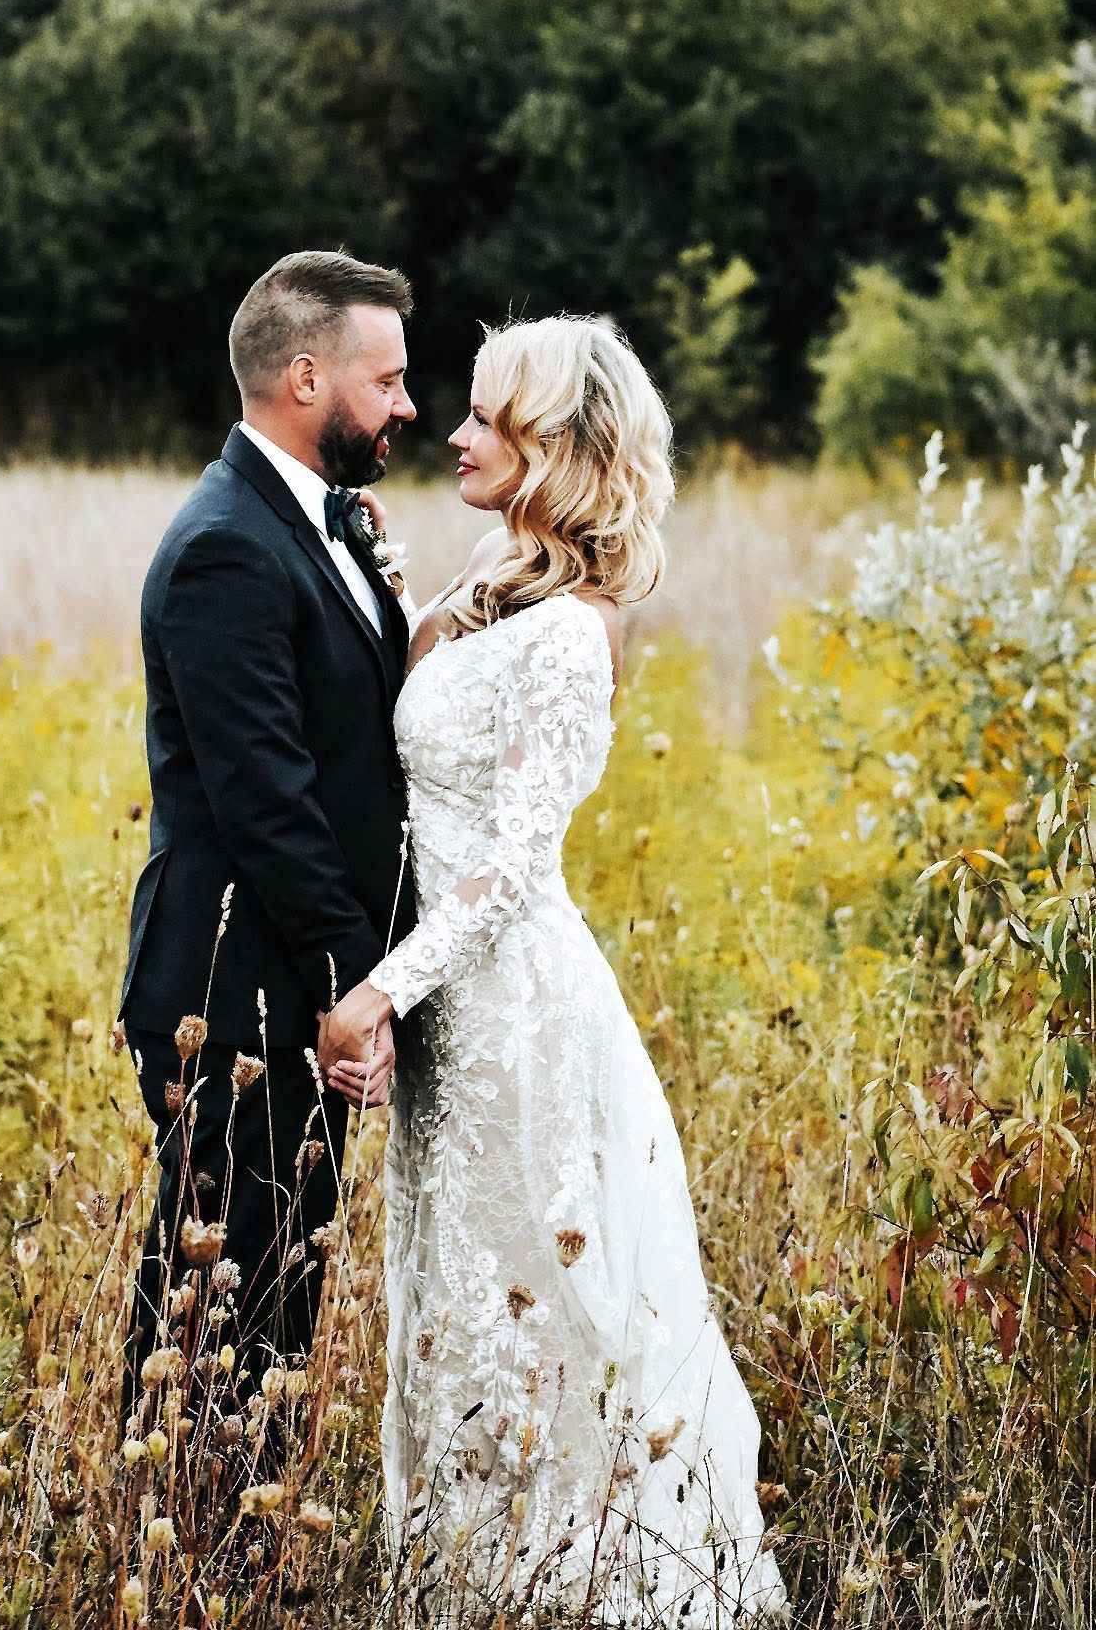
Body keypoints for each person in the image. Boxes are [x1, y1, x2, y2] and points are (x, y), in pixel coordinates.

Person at [319, 316, 791, 1626]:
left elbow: (512, 872)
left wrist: (375, 995)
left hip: (519, 1018)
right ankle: (460, 1588)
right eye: (461, 412)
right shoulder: (492, 586)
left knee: (547, 1321)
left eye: (486, 418)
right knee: (452, 1313)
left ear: (558, 448)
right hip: (453, 1022)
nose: (455, 434)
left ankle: (581, 1592)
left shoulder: (574, 635)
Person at [119, 250, 417, 1427]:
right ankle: (183, 1569)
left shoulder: (314, 520)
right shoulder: (228, 547)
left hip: (287, 989)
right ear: (307, 377)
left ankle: (231, 1561)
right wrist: (361, 985)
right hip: (235, 995)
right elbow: (270, 805)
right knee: (213, 1336)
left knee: (273, 1309)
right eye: (386, 380)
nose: (406, 404)